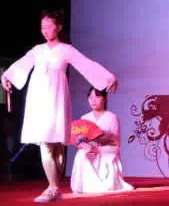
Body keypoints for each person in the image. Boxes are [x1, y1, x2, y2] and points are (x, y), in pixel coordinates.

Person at [1, 10, 118, 203]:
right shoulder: (37, 50)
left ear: (59, 27)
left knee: (57, 146)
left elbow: (86, 65)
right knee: (45, 142)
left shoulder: (66, 50)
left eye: (49, 26)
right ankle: (53, 187)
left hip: (57, 98)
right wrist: (6, 77)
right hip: (38, 99)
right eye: (42, 27)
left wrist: (108, 78)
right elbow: (21, 66)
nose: (45, 30)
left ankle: (55, 187)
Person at [70, 87, 133, 193]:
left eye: (97, 96)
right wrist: (81, 144)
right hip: (89, 150)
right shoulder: (84, 118)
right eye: (90, 97)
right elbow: (78, 139)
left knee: (95, 151)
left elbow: (116, 143)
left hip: (106, 151)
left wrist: (97, 146)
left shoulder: (112, 117)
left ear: (105, 98)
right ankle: (84, 185)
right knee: (81, 154)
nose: (93, 100)